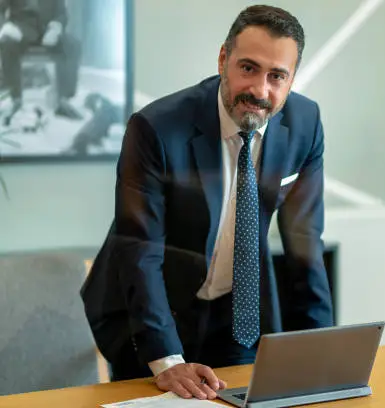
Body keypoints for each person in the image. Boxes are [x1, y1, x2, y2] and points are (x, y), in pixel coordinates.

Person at [80, 4, 334, 401]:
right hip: (149, 313)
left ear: (291, 79)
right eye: (247, 68)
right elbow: (139, 248)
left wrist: (321, 350)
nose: (259, 90)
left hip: (237, 313)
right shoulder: (156, 128)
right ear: (223, 60)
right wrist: (166, 360)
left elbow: (305, 242)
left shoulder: (305, 124)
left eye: (276, 76)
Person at [0, 0, 82, 121]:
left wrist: (56, 27)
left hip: (48, 31)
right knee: (7, 43)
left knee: (72, 44)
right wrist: (7, 26)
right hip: (21, 30)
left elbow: (62, 13)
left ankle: (64, 101)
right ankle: (15, 99)